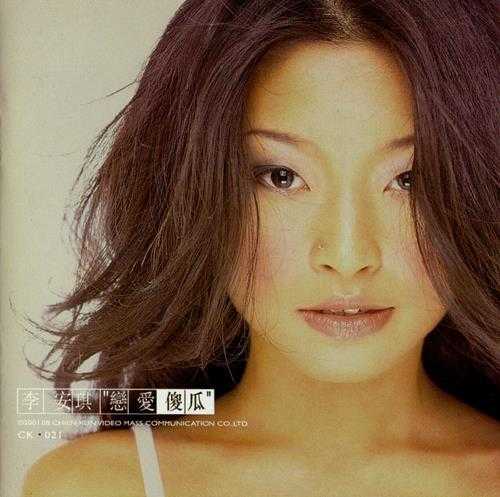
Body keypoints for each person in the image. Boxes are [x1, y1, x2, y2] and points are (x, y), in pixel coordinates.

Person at [22, 1, 499, 496]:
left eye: (409, 180)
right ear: (195, 193)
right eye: (282, 177)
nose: (348, 255)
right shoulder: (98, 486)